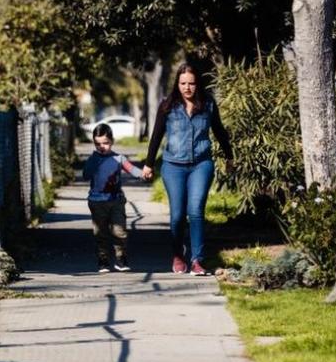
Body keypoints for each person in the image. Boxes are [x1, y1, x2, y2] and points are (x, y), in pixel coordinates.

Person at [142, 63, 233, 276]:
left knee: (196, 211)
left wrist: (229, 156)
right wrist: (148, 164)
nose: (187, 88)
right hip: (173, 166)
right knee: (177, 215)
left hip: (201, 164)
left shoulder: (208, 104)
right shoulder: (168, 105)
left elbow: (219, 131)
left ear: (197, 84)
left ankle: (197, 260)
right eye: (183, 83)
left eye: (191, 83)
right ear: (177, 84)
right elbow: (156, 136)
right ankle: (177, 255)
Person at [83, 123, 144, 273]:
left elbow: (131, 169)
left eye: (105, 143)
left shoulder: (119, 158)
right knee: (101, 233)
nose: (102, 147)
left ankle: (120, 258)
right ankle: (103, 260)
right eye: (98, 144)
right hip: (97, 202)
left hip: (116, 200)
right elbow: (85, 175)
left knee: (120, 231)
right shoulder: (93, 159)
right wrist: (92, 162)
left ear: (112, 141)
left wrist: (143, 173)